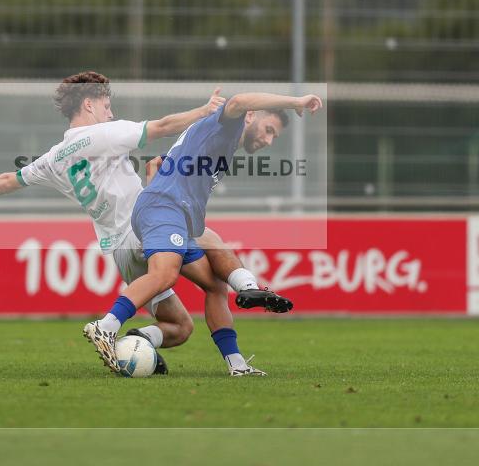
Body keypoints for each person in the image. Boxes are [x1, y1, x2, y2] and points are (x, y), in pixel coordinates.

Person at [0, 72, 292, 375]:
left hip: (120, 251)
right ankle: (110, 325)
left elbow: (10, 179)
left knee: (180, 326)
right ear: (89, 104)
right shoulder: (104, 133)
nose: (110, 112)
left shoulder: (52, 158)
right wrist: (204, 111)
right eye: (106, 105)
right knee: (206, 246)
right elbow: (162, 127)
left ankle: (136, 345)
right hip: (144, 226)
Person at [83, 91, 322, 376]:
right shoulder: (228, 125)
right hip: (165, 208)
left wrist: (157, 191)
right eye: (269, 130)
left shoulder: (218, 140)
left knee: (215, 285)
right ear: (250, 117)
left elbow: (154, 163)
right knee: (164, 274)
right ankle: (105, 326)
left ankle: (237, 364)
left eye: (274, 137)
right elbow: (238, 101)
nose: (269, 140)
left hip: (173, 214)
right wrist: (296, 102)